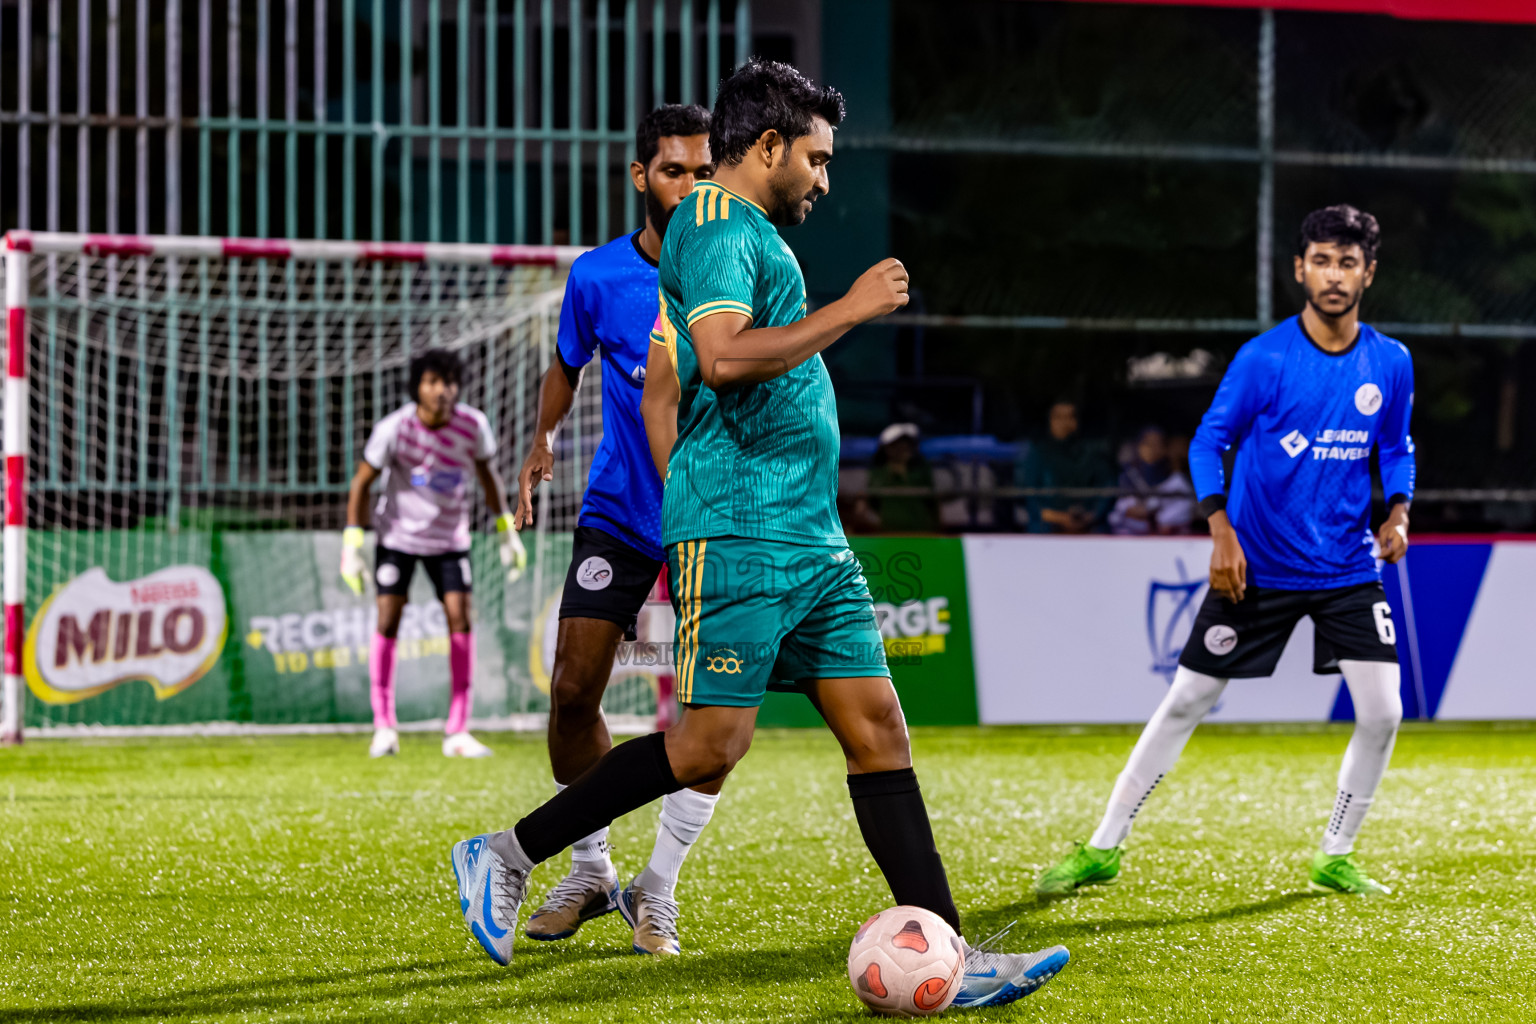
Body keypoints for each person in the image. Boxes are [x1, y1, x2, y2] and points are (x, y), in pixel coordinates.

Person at [450, 58, 1070, 1007]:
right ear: (770, 145)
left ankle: (952, 949)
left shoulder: (748, 234)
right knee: (707, 747)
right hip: (740, 528)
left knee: (879, 730)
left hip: (808, 536)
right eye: (816, 159)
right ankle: (506, 853)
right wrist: (850, 310)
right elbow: (723, 358)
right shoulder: (711, 222)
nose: (823, 179)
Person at [1037, 204, 1414, 897]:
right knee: (1187, 700)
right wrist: (1221, 530)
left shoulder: (1390, 362)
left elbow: (1395, 446)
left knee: (1384, 712)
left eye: (1348, 262)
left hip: (1346, 568)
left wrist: (1398, 510)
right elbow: (1209, 441)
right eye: (1322, 261)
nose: (1334, 275)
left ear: (1368, 273)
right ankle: (1103, 846)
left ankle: (1335, 853)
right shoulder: (1265, 358)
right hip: (1258, 567)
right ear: (1300, 269)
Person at [512, 104, 720, 956]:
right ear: (642, 176)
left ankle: (656, 888)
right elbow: (567, 364)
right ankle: (592, 867)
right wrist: (542, 438)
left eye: (704, 171)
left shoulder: (737, 271)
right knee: (572, 692)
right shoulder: (597, 276)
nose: (692, 186)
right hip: (621, 511)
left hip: (711, 519)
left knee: (716, 718)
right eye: (675, 171)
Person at [341, 348, 525, 759]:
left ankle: (457, 730)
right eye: (432, 382)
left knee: (460, 619)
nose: (442, 390)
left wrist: (505, 531)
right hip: (398, 539)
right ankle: (384, 727)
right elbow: (361, 483)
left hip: (450, 542)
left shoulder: (473, 425)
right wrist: (352, 543)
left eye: (449, 382)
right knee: (387, 620)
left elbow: (488, 476)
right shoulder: (394, 428)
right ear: (417, 388)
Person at [1017, 400, 1116, 533]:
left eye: (1070, 417)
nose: (1064, 423)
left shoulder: (1092, 454)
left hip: (1088, 525)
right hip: (1049, 526)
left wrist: (1090, 516)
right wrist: (1061, 518)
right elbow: (1031, 499)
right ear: (1050, 420)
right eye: (1058, 417)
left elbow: (1106, 489)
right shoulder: (1038, 454)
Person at [1108, 426, 1195, 535]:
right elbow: (1120, 510)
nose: (1153, 449)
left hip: (1167, 539)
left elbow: (1184, 510)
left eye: (1158, 445)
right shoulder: (1129, 475)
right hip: (1131, 537)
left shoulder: (1176, 480)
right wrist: (1135, 511)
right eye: (1148, 444)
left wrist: (1155, 515)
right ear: (1139, 447)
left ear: (1165, 449)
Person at [859, 422, 939, 534]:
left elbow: (933, 505)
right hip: (889, 534)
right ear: (886, 449)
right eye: (897, 445)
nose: (904, 448)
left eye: (907, 444)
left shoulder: (922, 471)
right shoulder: (878, 474)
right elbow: (867, 505)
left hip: (922, 533)